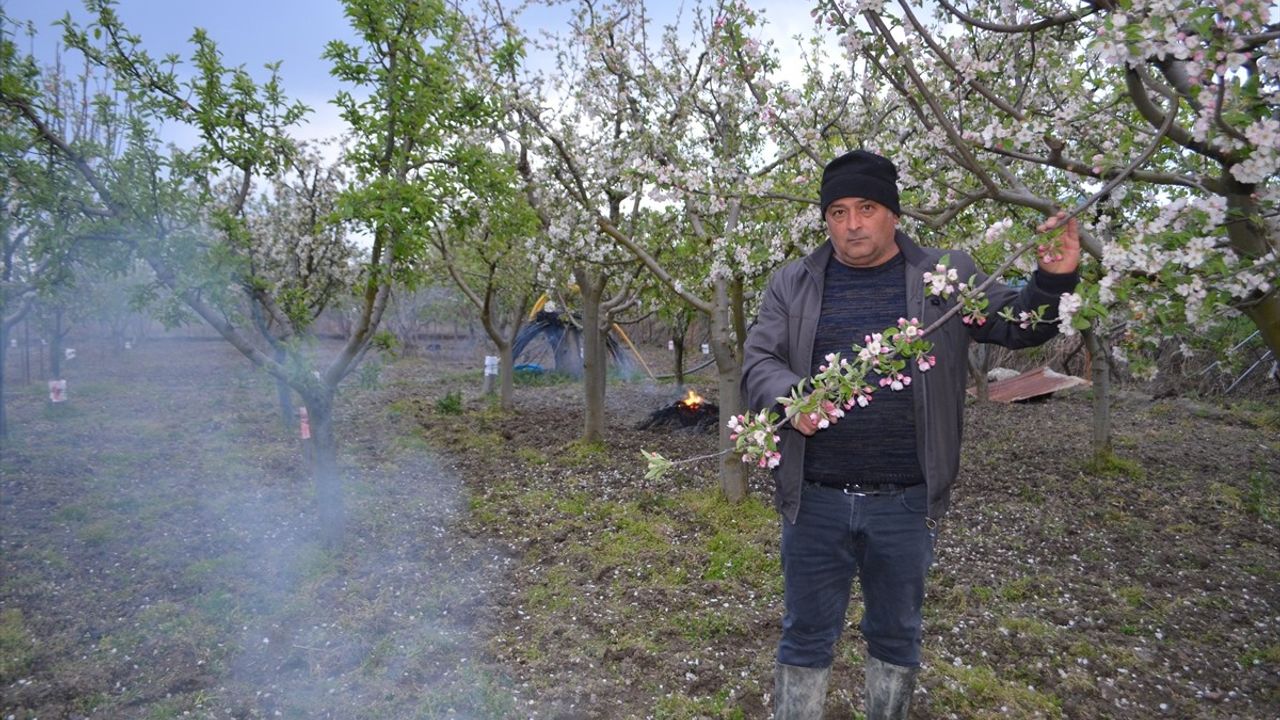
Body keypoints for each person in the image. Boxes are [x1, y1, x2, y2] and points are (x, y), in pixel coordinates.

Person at [740, 149, 1080, 720]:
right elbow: (759, 359)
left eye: (867, 208)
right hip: (814, 501)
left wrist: (1053, 277)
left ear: (893, 213)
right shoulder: (793, 283)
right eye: (838, 211)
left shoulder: (944, 279)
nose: (852, 225)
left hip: (905, 502)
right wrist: (790, 396)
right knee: (804, 637)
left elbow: (1020, 328)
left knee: (895, 637)